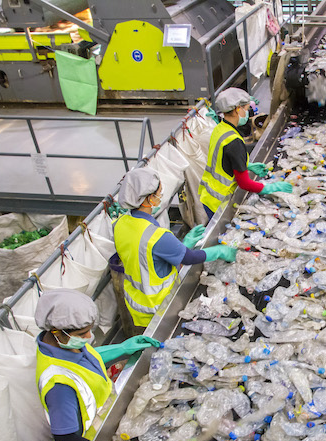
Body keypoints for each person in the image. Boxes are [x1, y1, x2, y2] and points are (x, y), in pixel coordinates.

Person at [35, 288, 164, 441]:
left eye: (89, 331)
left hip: (110, 424)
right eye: (82, 334)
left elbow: (85, 360)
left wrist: (122, 348)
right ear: (56, 332)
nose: (89, 338)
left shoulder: (63, 346)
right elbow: (66, 440)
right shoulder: (59, 386)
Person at [114, 167, 236, 328]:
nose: (160, 196)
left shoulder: (120, 223)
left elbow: (146, 256)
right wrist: (219, 251)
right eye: (159, 193)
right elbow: (189, 258)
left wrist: (182, 245)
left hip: (136, 302)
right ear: (148, 199)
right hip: (160, 306)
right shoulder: (156, 235)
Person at [199, 87, 293, 218]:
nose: (248, 113)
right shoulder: (234, 141)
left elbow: (222, 157)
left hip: (208, 195)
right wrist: (270, 188)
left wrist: (247, 165)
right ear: (238, 109)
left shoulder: (220, 128)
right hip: (219, 202)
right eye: (246, 109)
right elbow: (244, 183)